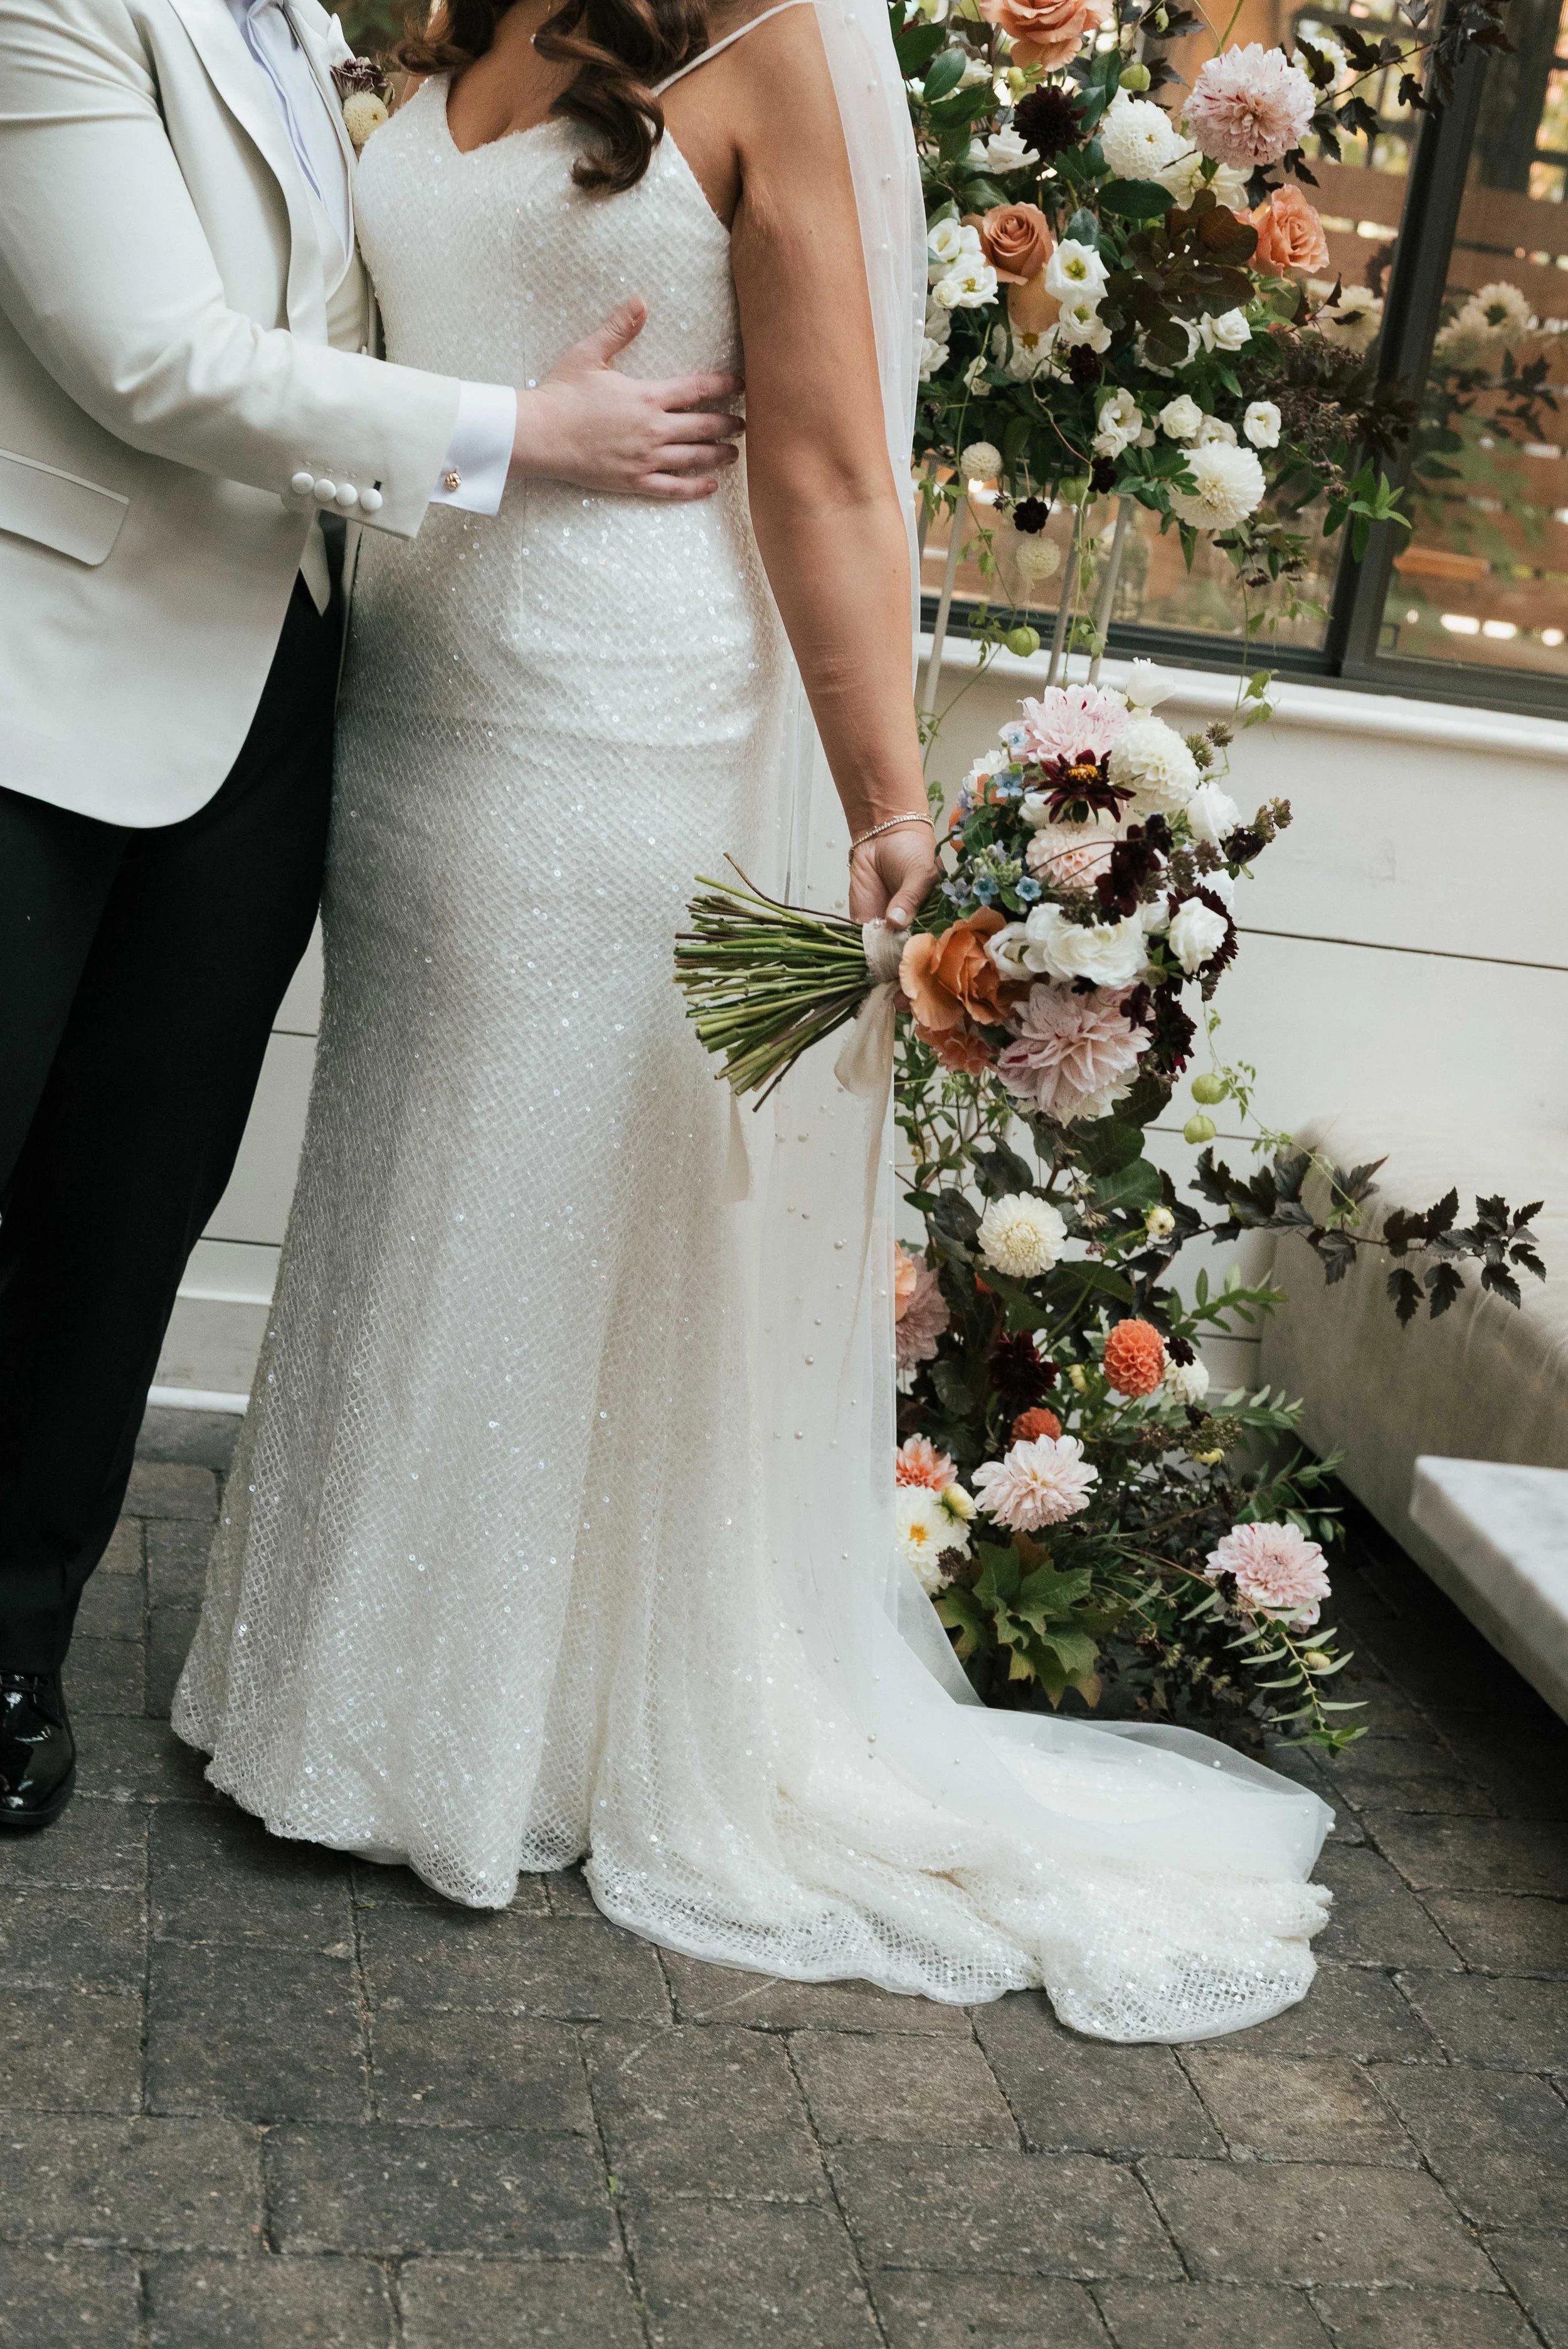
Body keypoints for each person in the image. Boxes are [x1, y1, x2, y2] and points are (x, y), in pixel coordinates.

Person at [173, 0, 1333, 2041]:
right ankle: (339, 1679)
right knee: (413, 1180)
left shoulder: (778, 45)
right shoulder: (472, 25)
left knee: (534, 1209)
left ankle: (476, 1743)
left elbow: (818, 462)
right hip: (415, 713)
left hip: (619, 727)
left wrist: (889, 799)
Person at [0, 0, 745, 1830]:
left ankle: (12, 1649)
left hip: (272, 705)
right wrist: (514, 433)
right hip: (38, 685)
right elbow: (148, 357)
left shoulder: (313, 30)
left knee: (127, 1213)